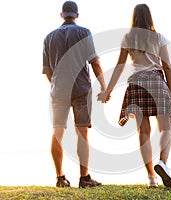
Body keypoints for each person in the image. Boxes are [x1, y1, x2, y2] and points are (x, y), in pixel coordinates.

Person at [98, 4, 171, 188]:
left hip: (136, 84)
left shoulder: (128, 38)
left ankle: (151, 178)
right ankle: (162, 163)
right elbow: (167, 67)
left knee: (143, 132)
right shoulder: (158, 37)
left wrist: (107, 91)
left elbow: (119, 67)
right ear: (149, 17)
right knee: (166, 128)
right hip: (156, 81)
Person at [43, 1, 106, 188]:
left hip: (59, 91)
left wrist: (56, 86)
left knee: (57, 132)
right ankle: (84, 178)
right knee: (82, 133)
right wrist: (103, 86)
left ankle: (60, 178)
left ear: (61, 15)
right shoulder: (84, 32)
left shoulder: (48, 38)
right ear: (77, 15)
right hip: (81, 89)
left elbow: (47, 71)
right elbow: (94, 63)